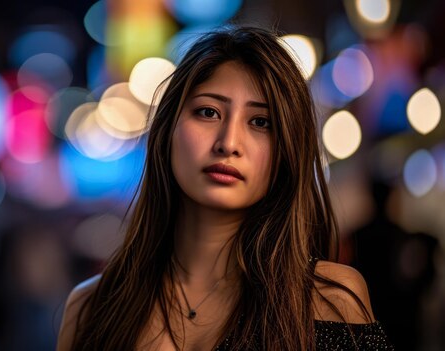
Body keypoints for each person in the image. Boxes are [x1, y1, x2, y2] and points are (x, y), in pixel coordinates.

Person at [57, 26, 394, 350]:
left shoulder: (328, 301)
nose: (229, 142)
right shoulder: (91, 308)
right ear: (167, 131)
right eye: (208, 112)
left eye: (260, 122)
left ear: (287, 152)